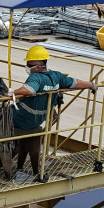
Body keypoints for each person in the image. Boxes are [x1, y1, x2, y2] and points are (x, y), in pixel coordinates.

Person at [12, 46, 96, 182]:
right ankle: (25, 167)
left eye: (29, 65)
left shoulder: (36, 78)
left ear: (38, 67)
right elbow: (75, 83)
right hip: (38, 120)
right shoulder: (56, 77)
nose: (27, 67)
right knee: (28, 141)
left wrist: (10, 93)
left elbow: (29, 91)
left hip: (19, 118)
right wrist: (91, 84)